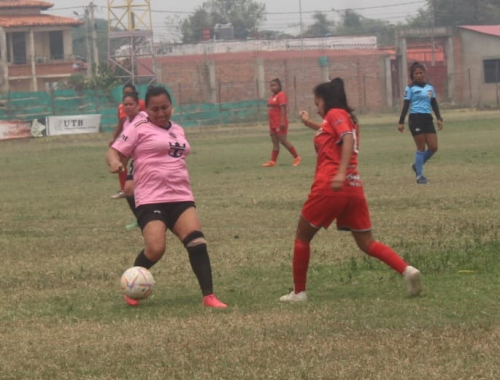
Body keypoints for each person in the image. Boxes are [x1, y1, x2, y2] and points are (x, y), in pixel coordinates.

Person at [280, 78, 423, 303]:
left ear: (327, 101)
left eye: (317, 104)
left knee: (302, 237)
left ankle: (299, 293)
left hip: (330, 186)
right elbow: (336, 133)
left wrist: (339, 172)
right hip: (354, 188)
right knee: (367, 243)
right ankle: (407, 271)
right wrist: (309, 123)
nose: (317, 109)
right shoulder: (347, 119)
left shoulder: (335, 114)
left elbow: (345, 138)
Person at [106, 86, 227, 309]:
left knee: (197, 242)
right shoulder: (138, 126)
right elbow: (114, 150)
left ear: (172, 106)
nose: (161, 113)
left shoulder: (178, 129)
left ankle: (209, 297)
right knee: (155, 249)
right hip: (151, 197)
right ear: (147, 109)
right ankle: (132, 285)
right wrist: (115, 162)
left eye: (165, 108)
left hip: (180, 195)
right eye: (155, 109)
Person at [398, 62, 443, 184]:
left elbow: (433, 103)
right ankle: (419, 176)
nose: (419, 75)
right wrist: (401, 121)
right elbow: (406, 105)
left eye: (421, 73)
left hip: (427, 118)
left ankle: (417, 165)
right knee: (421, 147)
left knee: (433, 147)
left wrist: (439, 118)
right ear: (412, 75)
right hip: (415, 118)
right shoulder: (410, 88)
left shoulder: (429, 87)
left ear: (424, 74)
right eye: (416, 73)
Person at [110, 83, 146, 199]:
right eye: (126, 104)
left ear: (138, 105)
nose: (128, 106)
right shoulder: (126, 121)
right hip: (133, 152)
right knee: (129, 190)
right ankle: (123, 188)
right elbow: (121, 124)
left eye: (131, 104)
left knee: (136, 189)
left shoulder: (144, 117)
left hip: (144, 154)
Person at [262, 78, 301, 167]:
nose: (272, 87)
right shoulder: (272, 97)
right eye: (271, 86)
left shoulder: (281, 95)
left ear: (279, 86)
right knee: (275, 142)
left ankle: (297, 157)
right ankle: (272, 161)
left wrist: (282, 121)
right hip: (272, 123)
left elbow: (283, 109)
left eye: (274, 85)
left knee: (283, 141)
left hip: (280, 122)